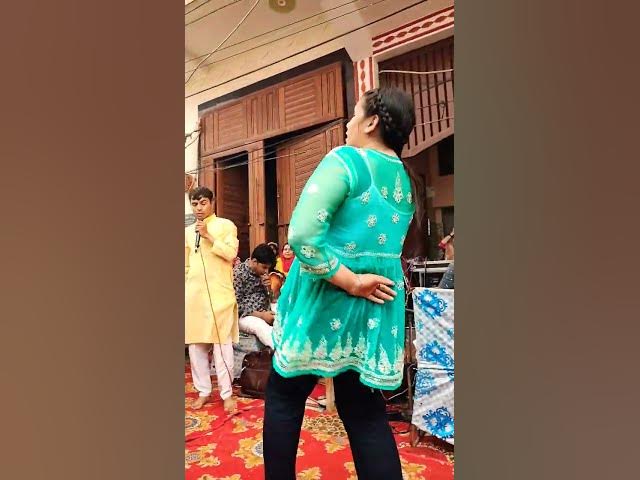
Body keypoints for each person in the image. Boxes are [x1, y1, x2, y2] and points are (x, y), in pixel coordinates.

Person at [263, 87, 422, 480]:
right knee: (364, 412)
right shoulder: (407, 179)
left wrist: (350, 281)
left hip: (328, 297)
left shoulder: (347, 160)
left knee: (284, 396)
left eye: (354, 114)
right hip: (374, 307)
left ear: (371, 122)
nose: (349, 124)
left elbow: (303, 235)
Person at [185, 186, 240, 412]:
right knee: (196, 345)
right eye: (194, 204)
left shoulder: (226, 226)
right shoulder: (187, 232)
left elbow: (231, 253)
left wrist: (208, 235)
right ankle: (204, 392)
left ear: (212, 202)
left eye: (203, 203)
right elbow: (186, 264)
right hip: (195, 295)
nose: (199, 208)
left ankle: (227, 394)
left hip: (220, 295)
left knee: (222, 345)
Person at [233, 243, 277, 349]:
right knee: (261, 327)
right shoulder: (238, 274)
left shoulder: (263, 274)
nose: (266, 271)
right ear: (254, 261)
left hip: (265, 309)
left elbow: (272, 299)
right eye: (264, 267)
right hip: (245, 316)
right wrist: (262, 316)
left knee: (286, 311)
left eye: (268, 268)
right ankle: (280, 352)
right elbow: (236, 305)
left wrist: (268, 288)